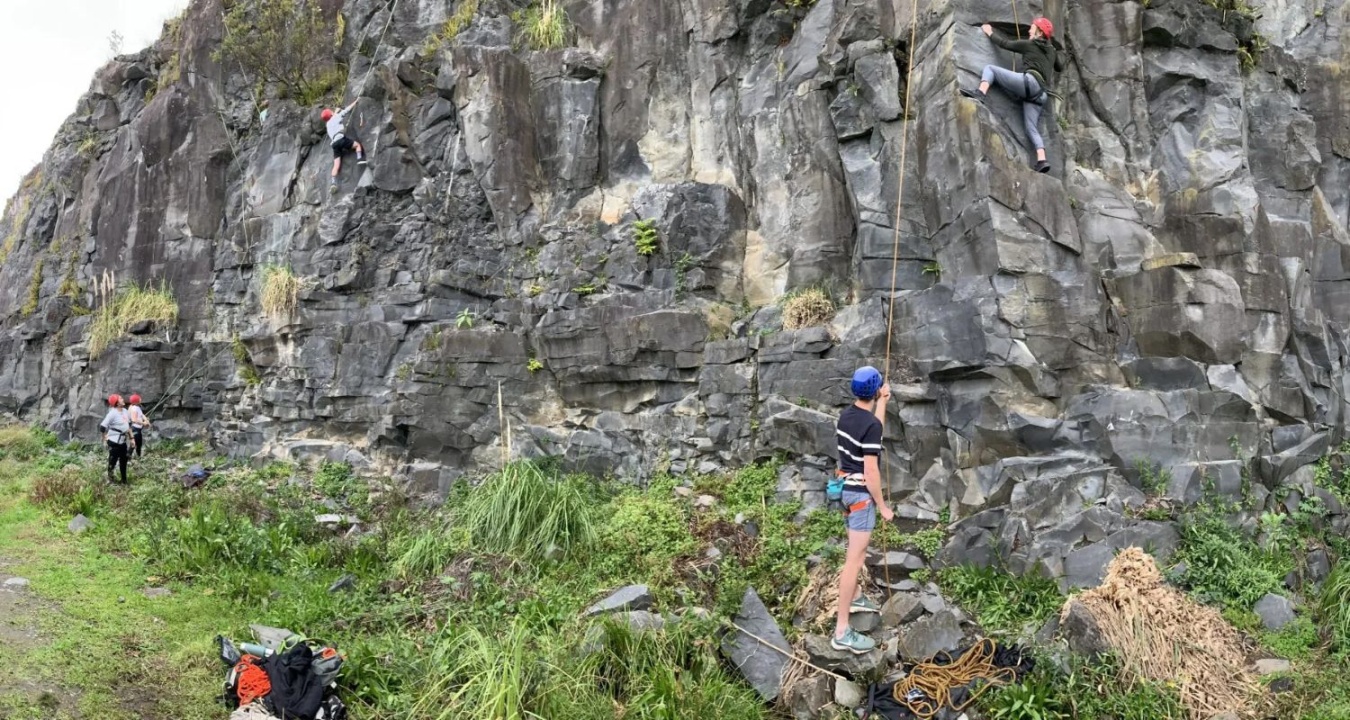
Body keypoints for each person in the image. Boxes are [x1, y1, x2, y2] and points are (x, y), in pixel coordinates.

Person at [830, 366, 893, 654]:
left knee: (854, 552)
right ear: (877, 388)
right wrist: (882, 506)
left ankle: (855, 595)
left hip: (844, 491)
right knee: (853, 562)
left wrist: (883, 404)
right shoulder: (871, 425)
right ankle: (841, 631)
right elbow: (871, 470)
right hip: (860, 498)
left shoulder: (848, 415)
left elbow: (872, 433)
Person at [960, 17, 1065, 174]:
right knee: (1031, 128)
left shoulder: (1029, 44)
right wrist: (1055, 50)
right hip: (1040, 95)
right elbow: (1059, 66)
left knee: (990, 69)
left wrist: (989, 32)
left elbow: (1005, 44)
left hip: (1029, 83)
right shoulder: (1051, 51)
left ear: (1039, 31)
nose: (1029, 29)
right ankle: (1042, 160)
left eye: (1032, 27)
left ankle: (980, 94)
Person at [321, 101, 367, 194]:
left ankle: (333, 183)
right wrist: (356, 101)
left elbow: (333, 117)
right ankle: (359, 159)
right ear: (331, 114)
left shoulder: (328, 125)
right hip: (341, 139)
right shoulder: (336, 117)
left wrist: (335, 112)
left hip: (334, 144)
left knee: (336, 165)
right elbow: (346, 110)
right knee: (357, 145)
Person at [100, 394, 135, 484]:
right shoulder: (112, 413)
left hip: (122, 441)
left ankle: (124, 481)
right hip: (114, 441)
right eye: (120, 398)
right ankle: (110, 479)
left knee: (124, 461)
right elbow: (103, 427)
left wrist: (132, 438)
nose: (123, 399)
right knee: (113, 461)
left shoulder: (125, 411)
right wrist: (104, 438)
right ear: (116, 403)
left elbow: (128, 426)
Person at [127, 393, 151, 459]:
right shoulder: (134, 408)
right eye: (139, 398)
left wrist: (146, 420)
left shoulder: (136, 407)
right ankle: (130, 457)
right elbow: (134, 419)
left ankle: (137, 456)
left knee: (137, 444)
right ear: (136, 401)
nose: (140, 399)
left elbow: (142, 415)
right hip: (135, 429)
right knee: (134, 444)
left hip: (136, 429)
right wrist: (144, 423)